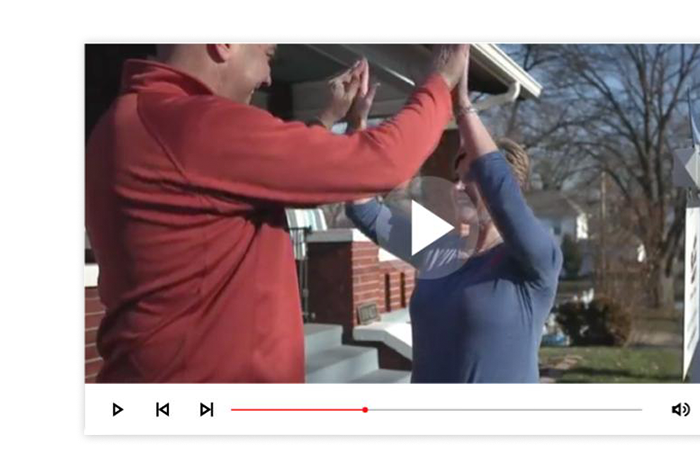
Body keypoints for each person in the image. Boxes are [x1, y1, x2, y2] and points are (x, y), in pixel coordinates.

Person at [85, 43, 470, 383]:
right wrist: (439, 83)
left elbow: (270, 178)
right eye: (268, 55)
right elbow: (382, 166)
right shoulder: (192, 125)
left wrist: (327, 122)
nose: (269, 77)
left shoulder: (134, 122)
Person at [344, 62, 563, 383]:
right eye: (456, 177)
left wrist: (462, 107)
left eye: (472, 176)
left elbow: (500, 188)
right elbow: (362, 208)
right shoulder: (439, 247)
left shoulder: (537, 259)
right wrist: (356, 128)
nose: (457, 187)